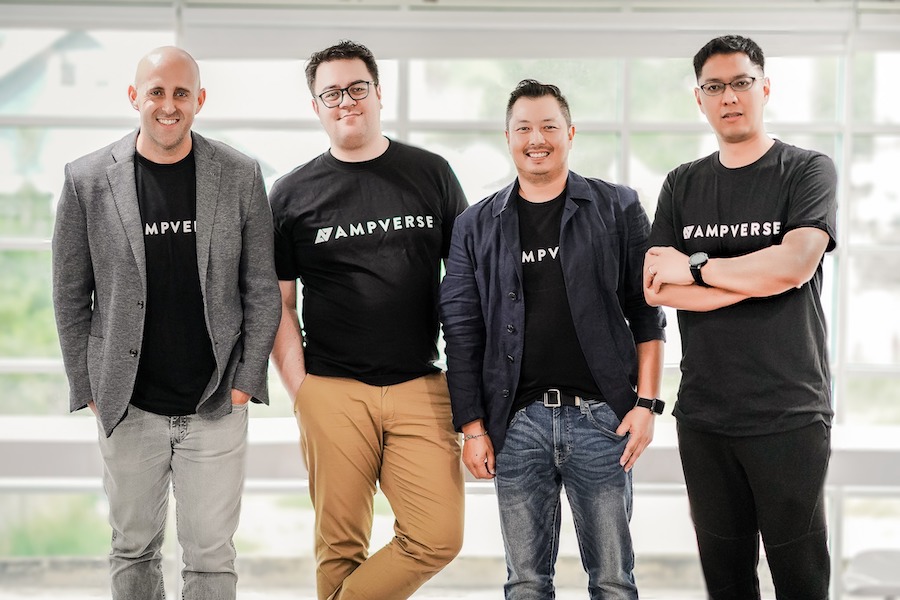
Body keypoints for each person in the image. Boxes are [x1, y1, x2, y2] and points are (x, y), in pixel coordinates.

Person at [51, 46, 281, 600]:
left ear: (199, 99)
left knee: (211, 559)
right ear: (135, 97)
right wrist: (90, 388)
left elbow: (260, 287)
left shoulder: (240, 174)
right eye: (156, 92)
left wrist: (245, 383)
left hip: (216, 402)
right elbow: (69, 294)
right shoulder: (86, 180)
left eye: (181, 93)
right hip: (128, 405)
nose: (169, 105)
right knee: (132, 549)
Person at [440, 79, 666, 599]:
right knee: (525, 583)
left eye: (548, 126)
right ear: (508, 137)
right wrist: (472, 428)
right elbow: (461, 330)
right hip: (516, 424)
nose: (536, 138)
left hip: (603, 420)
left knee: (613, 581)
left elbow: (647, 311)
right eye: (523, 128)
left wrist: (647, 406)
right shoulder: (475, 225)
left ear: (570, 133)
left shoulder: (617, 206)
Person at [268, 40, 467, 600]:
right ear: (316, 106)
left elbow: (467, 286)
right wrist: (302, 390)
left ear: (379, 93)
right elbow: (279, 304)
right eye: (331, 93)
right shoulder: (291, 193)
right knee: (340, 548)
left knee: (437, 536)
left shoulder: (430, 173)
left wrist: (468, 382)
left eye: (357, 88)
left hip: (421, 386)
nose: (346, 101)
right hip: (332, 388)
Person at [644, 35, 837, 599]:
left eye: (741, 83)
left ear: (765, 88)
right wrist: (757, 279)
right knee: (726, 582)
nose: (729, 96)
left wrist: (698, 268)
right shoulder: (682, 183)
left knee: (800, 579)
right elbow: (657, 288)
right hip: (705, 416)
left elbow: (796, 265)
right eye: (714, 86)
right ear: (699, 99)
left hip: (789, 412)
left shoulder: (806, 170)